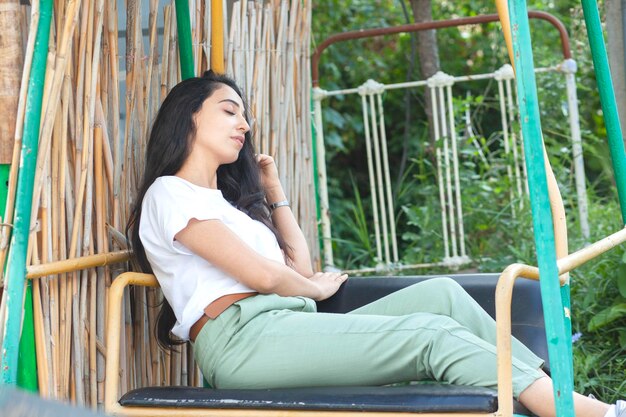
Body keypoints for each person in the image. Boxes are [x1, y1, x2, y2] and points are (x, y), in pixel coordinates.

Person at [126, 70, 624, 417]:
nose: (244, 124)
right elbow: (264, 276)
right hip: (241, 341)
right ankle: (577, 411)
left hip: (286, 321)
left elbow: (295, 263)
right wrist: (312, 289)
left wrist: (273, 192)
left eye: (245, 115)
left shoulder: (227, 206)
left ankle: (556, 394)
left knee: (443, 295)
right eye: (229, 111)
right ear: (187, 116)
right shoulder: (169, 193)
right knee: (431, 333)